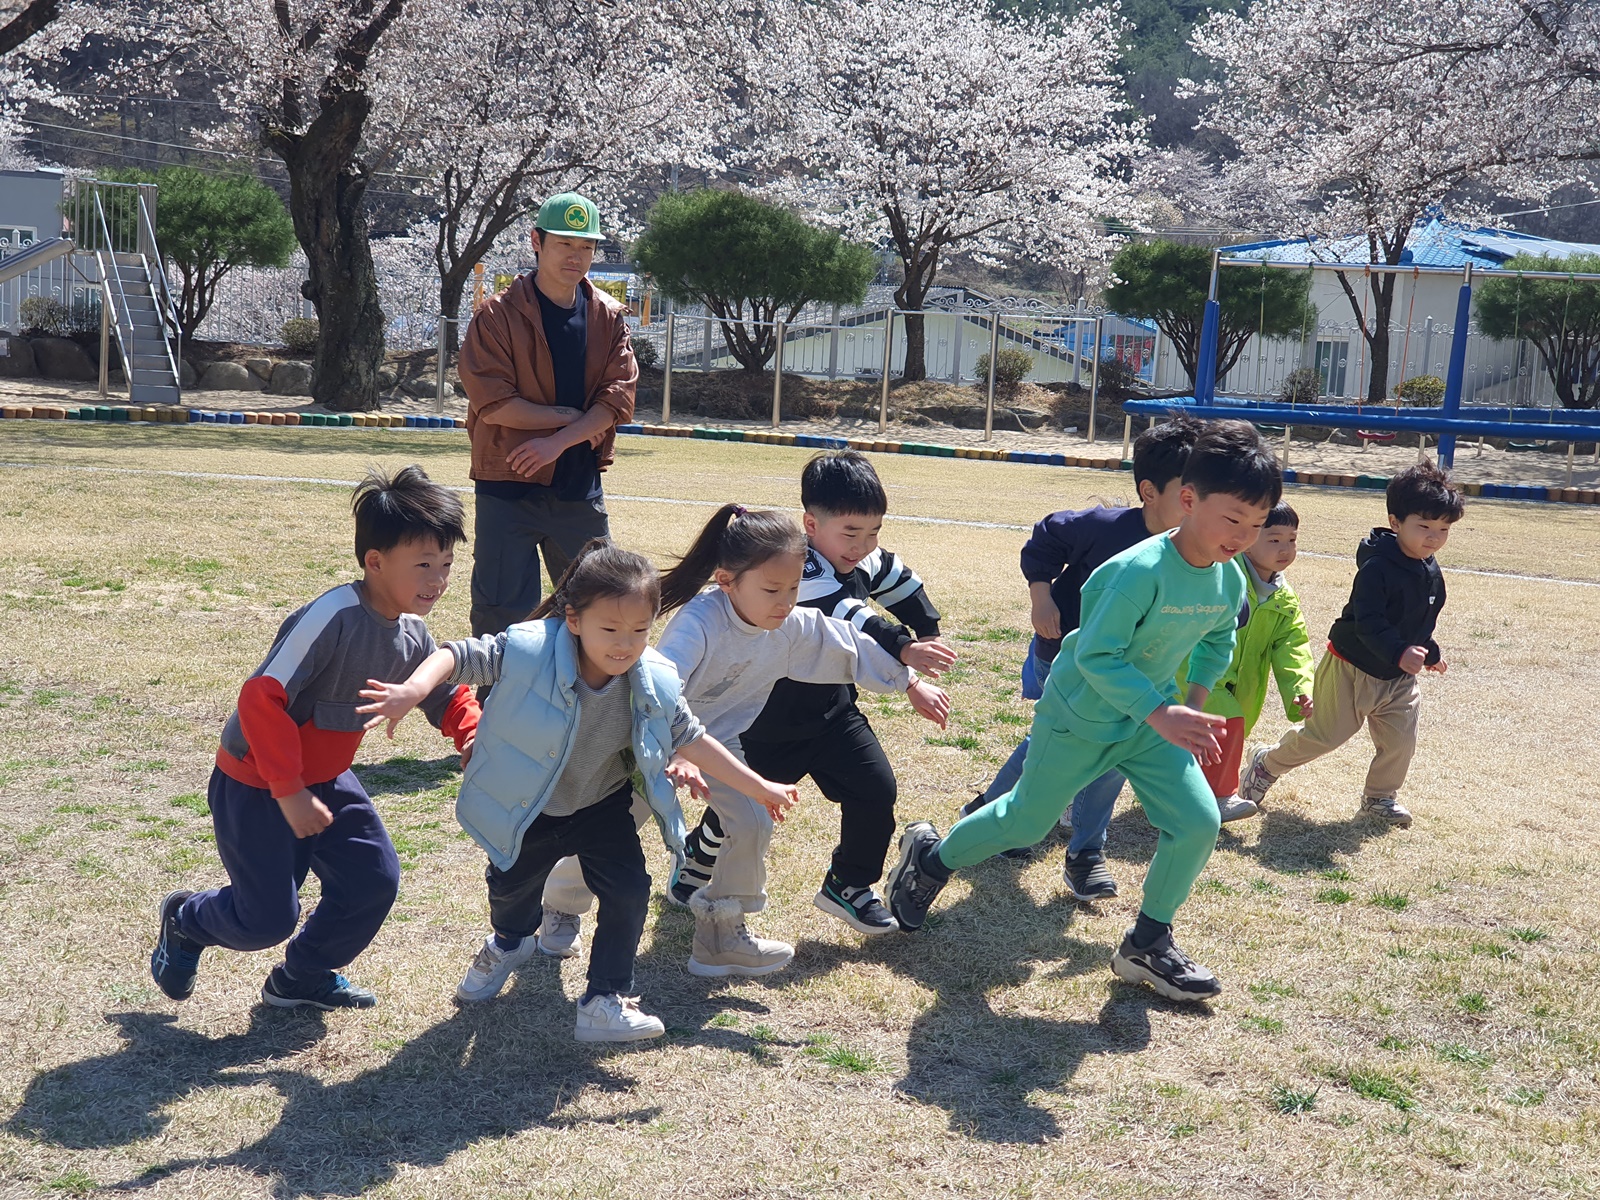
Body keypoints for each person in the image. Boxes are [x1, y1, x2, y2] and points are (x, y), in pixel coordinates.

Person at [887, 420, 1282, 1003]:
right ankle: (931, 858)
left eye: (1256, 524)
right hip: (1080, 716)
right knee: (1026, 822)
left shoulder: (1226, 580)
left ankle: (1147, 942)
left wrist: (1189, 711)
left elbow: (1217, 641)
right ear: (1190, 501)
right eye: (1233, 520)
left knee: (1198, 822)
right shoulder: (1133, 573)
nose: (1244, 537)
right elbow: (1098, 657)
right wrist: (1162, 713)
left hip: (1150, 725)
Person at [355, 542, 799, 1042]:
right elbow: (455, 656)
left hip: (601, 803)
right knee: (510, 892)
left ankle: (605, 1001)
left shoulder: (652, 680)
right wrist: (412, 692)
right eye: (609, 629)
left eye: (639, 631)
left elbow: (691, 736)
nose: (624, 645)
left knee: (629, 891)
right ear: (574, 619)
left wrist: (758, 786)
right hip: (533, 806)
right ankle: (507, 941)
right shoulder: (529, 651)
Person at [149, 467, 479, 1011]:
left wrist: (472, 736)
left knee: (373, 879)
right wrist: (288, 789)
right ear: (374, 561)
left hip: (325, 781)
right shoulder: (332, 617)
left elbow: (442, 693)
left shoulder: (413, 633)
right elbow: (261, 698)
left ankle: (302, 977)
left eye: (446, 565)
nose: (438, 580)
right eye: (423, 565)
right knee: (265, 919)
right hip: (258, 784)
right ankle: (186, 921)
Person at [652, 505, 951, 977]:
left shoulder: (789, 626)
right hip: (649, 741)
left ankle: (720, 938)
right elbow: (658, 692)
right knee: (607, 827)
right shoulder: (698, 623)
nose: (786, 602)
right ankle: (559, 906)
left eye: (792, 590)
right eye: (772, 590)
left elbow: (847, 643)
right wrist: (675, 750)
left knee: (752, 823)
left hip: (724, 744)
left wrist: (908, 682)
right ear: (726, 581)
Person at [962, 417, 1198, 901]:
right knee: (1061, 744)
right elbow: (1045, 537)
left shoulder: (1197, 550)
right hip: (1066, 656)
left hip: (1132, 676)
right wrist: (1041, 597)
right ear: (1149, 491)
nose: (1198, 506)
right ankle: (1001, 818)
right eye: (1187, 493)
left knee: (1103, 755)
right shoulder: (1103, 528)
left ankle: (1080, 852)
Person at [1238, 463, 1463, 828]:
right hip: (1352, 666)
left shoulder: (1428, 568)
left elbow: (1419, 620)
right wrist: (1400, 652)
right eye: (1424, 527)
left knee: (1400, 740)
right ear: (1395, 522)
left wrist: (1428, 652)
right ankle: (1267, 763)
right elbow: (1368, 622)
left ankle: (1379, 798)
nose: (1434, 538)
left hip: (1398, 676)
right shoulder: (1377, 569)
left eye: (1443, 529)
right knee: (1324, 736)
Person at [459, 191, 637, 644]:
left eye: (587, 247)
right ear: (536, 241)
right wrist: (570, 416)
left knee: (600, 607)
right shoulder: (496, 315)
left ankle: (590, 711)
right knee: (502, 615)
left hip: (579, 488)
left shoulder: (608, 316)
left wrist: (556, 441)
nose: (577, 257)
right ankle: (493, 712)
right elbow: (494, 403)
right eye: (565, 244)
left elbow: (617, 399)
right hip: (507, 485)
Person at [1197, 501, 1315, 823]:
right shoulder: (1221, 575)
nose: (1285, 549)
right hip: (1200, 675)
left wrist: (1301, 690)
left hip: (1242, 688)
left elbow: (1293, 646)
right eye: (1274, 539)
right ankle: (1222, 798)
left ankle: (1185, 795)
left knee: (1213, 741)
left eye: (1291, 539)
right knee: (1225, 723)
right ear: (1247, 539)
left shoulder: (1283, 597)